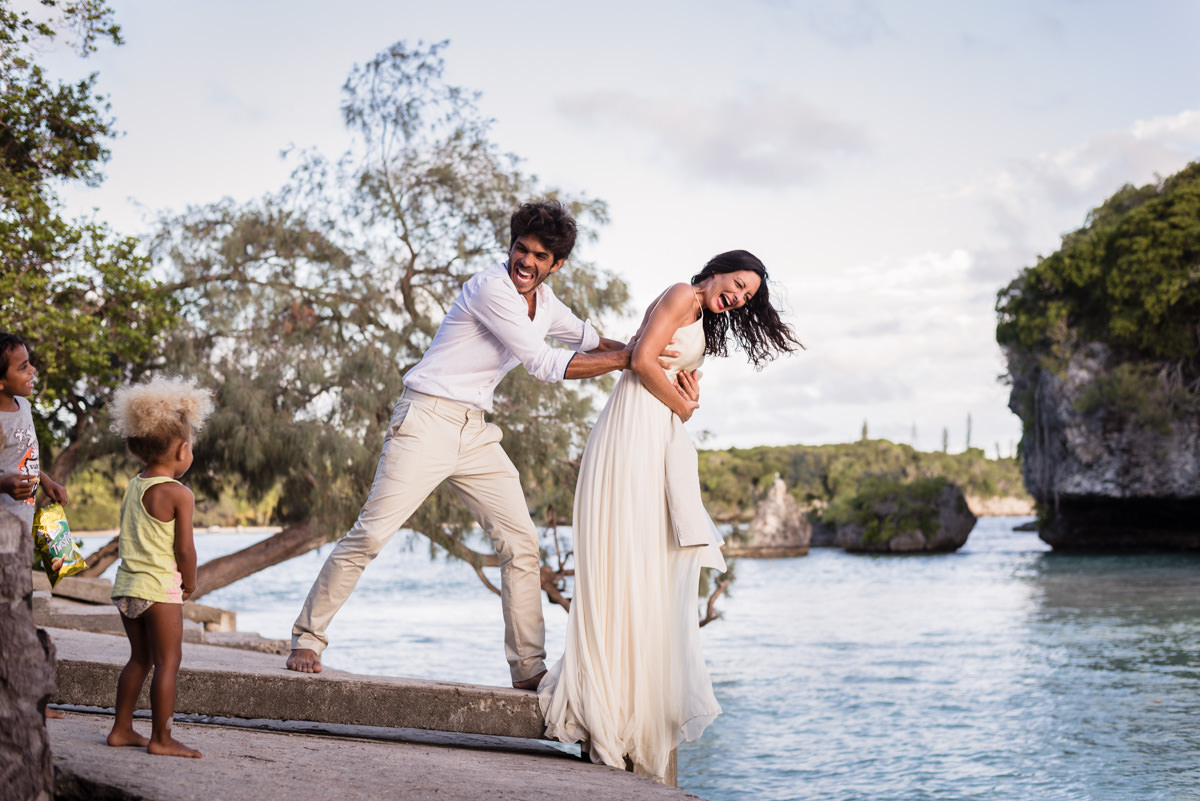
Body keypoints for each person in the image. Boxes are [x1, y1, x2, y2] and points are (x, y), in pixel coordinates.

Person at [286, 200, 682, 689]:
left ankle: (527, 670)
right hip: (426, 418)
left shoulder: (546, 304)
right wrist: (631, 361)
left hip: (475, 432)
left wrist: (648, 355)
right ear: (511, 245)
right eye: (522, 249)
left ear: (555, 266)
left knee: (520, 544)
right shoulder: (490, 287)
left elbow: (591, 340)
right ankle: (307, 637)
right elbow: (542, 364)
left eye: (540, 257)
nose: (527, 262)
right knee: (369, 535)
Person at [539, 250, 802, 781]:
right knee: (630, 556)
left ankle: (632, 692)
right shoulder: (684, 293)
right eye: (737, 283)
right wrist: (683, 407)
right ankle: (612, 696)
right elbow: (640, 360)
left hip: (653, 431)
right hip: (633, 430)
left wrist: (687, 390)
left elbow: (663, 365)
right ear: (716, 271)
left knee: (649, 562)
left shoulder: (700, 314)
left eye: (748, 296)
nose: (738, 296)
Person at [106, 376, 213, 758]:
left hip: (127, 587)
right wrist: (190, 581)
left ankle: (121, 729)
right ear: (183, 449)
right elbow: (185, 549)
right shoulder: (179, 494)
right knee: (169, 662)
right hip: (159, 589)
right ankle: (161, 738)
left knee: (140, 658)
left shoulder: (135, 485)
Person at [0, 332, 70, 721]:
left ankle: (31, 699)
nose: (32, 370)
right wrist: (5, 483)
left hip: (23, 529)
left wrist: (47, 481)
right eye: (22, 366)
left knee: (23, 615)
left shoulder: (23, 405)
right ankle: (25, 702)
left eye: (30, 362)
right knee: (13, 615)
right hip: (2, 536)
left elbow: (26, 454)